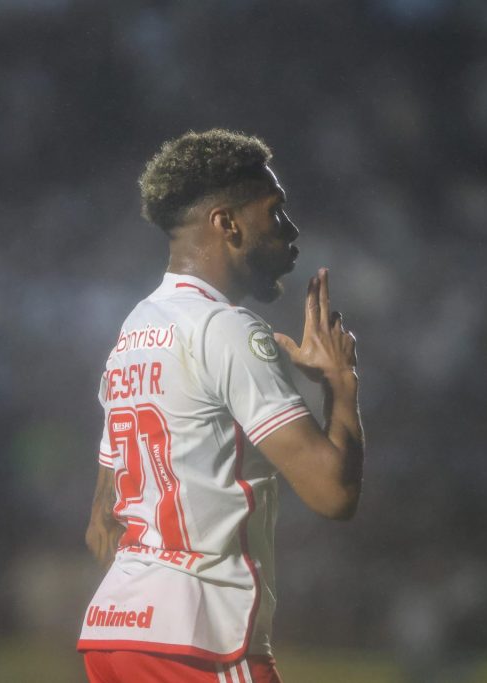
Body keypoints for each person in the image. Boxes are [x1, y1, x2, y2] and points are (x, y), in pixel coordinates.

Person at [79, 130, 364, 682]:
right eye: (274, 211)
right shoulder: (226, 330)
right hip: (200, 641)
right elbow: (334, 494)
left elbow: (102, 516)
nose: (291, 228)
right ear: (227, 223)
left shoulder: (135, 330)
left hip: (116, 632)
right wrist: (341, 385)